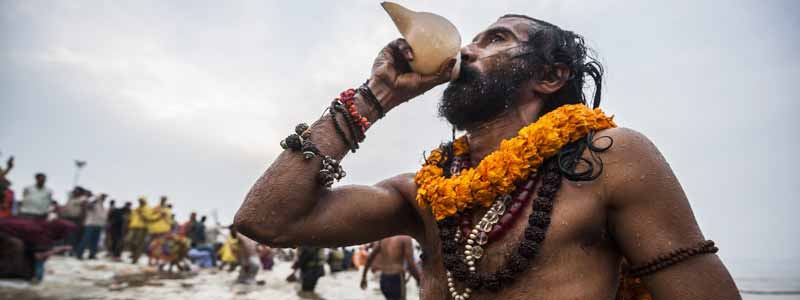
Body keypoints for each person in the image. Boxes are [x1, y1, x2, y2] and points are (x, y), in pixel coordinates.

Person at [234, 14, 741, 300]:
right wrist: (376, 96)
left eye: (496, 39)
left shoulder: (610, 159)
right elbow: (267, 221)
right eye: (471, 41)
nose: (468, 52)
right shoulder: (422, 193)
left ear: (550, 77)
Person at [0, 217, 76, 282]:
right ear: (60, 230)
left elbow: (36, 249)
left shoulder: (44, 227)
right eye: (66, 233)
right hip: (4, 235)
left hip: (5, 231)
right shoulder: (44, 234)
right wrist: (58, 250)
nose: (66, 235)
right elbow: (38, 256)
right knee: (16, 248)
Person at [361, 236, 421, 300]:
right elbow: (411, 264)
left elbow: (370, 257)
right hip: (397, 278)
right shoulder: (405, 238)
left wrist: (364, 277)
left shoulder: (383, 238)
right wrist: (419, 280)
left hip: (384, 278)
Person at [76, 193, 108, 259]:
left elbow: (103, 217)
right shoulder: (93, 204)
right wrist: (95, 199)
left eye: (105, 197)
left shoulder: (103, 207)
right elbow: (88, 205)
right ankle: (79, 254)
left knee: (95, 241)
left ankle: (92, 254)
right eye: (103, 197)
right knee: (86, 239)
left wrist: (104, 224)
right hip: (91, 224)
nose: (104, 198)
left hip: (99, 225)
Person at [126, 197, 150, 264]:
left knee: (138, 243)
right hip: (133, 227)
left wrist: (141, 213)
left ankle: (135, 258)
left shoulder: (147, 209)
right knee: (129, 241)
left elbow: (148, 219)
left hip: (142, 228)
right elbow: (131, 218)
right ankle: (133, 254)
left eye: (141, 201)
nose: (140, 202)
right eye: (139, 201)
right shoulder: (136, 209)